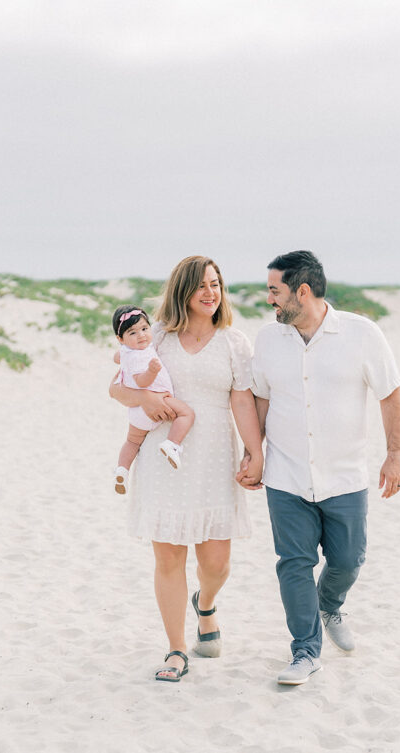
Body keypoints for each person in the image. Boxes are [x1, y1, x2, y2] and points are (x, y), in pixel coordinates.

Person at [239, 250, 400, 686]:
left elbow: (390, 394)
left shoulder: (361, 333)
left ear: (303, 291)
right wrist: (252, 453)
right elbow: (260, 397)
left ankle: (329, 603)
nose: (269, 299)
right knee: (293, 562)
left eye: (275, 290)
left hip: (345, 476)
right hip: (286, 474)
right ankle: (305, 651)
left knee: (348, 560)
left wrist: (395, 455)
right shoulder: (268, 339)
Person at [109, 255, 263, 682]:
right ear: (183, 291)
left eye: (215, 284)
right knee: (168, 558)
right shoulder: (154, 336)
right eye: (201, 286)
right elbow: (116, 387)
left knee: (216, 563)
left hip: (215, 456)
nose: (210, 293)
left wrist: (255, 451)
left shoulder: (235, 343)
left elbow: (242, 401)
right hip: (164, 457)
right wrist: (144, 400)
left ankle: (207, 603)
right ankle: (176, 648)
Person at [111, 305, 196, 495]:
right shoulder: (140, 357)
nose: (141, 335)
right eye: (132, 332)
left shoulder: (127, 351)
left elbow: (117, 357)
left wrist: (122, 354)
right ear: (120, 339)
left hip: (137, 411)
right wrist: (152, 371)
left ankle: (122, 469)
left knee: (132, 441)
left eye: (144, 329)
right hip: (158, 399)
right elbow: (141, 381)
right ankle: (172, 444)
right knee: (186, 413)